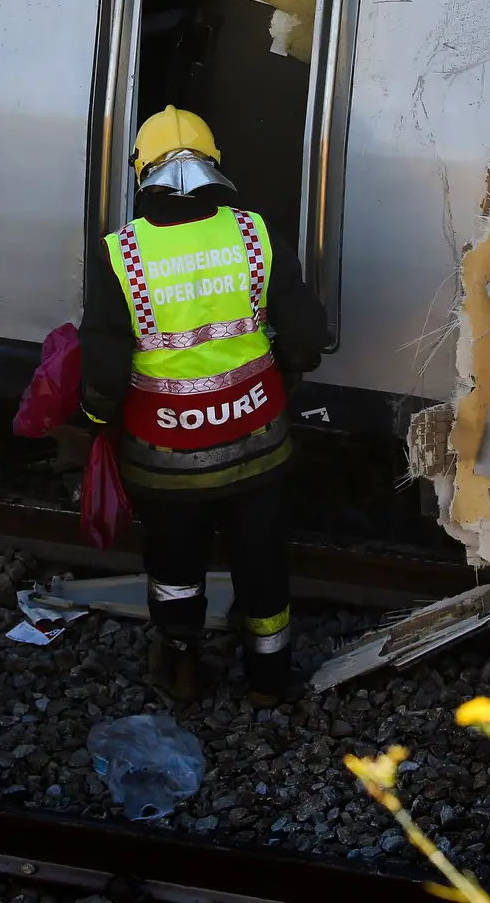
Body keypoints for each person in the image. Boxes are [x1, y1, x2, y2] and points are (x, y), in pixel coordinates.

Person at [79, 106, 327, 705]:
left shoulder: (121, 254)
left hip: (166, 461)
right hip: (258, 449)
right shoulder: (255, 233)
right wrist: (285, 375)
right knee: (262, 565)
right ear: (215, 166)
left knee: (174, 565)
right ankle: (269, 681)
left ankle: (182, 666)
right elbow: (305, 338)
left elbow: (105, 368)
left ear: (143, 173)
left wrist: (92, 419)